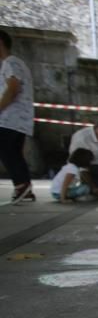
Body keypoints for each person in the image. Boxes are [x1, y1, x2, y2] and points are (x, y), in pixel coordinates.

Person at [0, 29, 35, 203]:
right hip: (20, 119)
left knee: (7, 151)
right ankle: (24, 190)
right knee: (14, 152)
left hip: (10, 118)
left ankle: (21, 186)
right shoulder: (15, 63)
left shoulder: (11, 63)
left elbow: (13, 88)